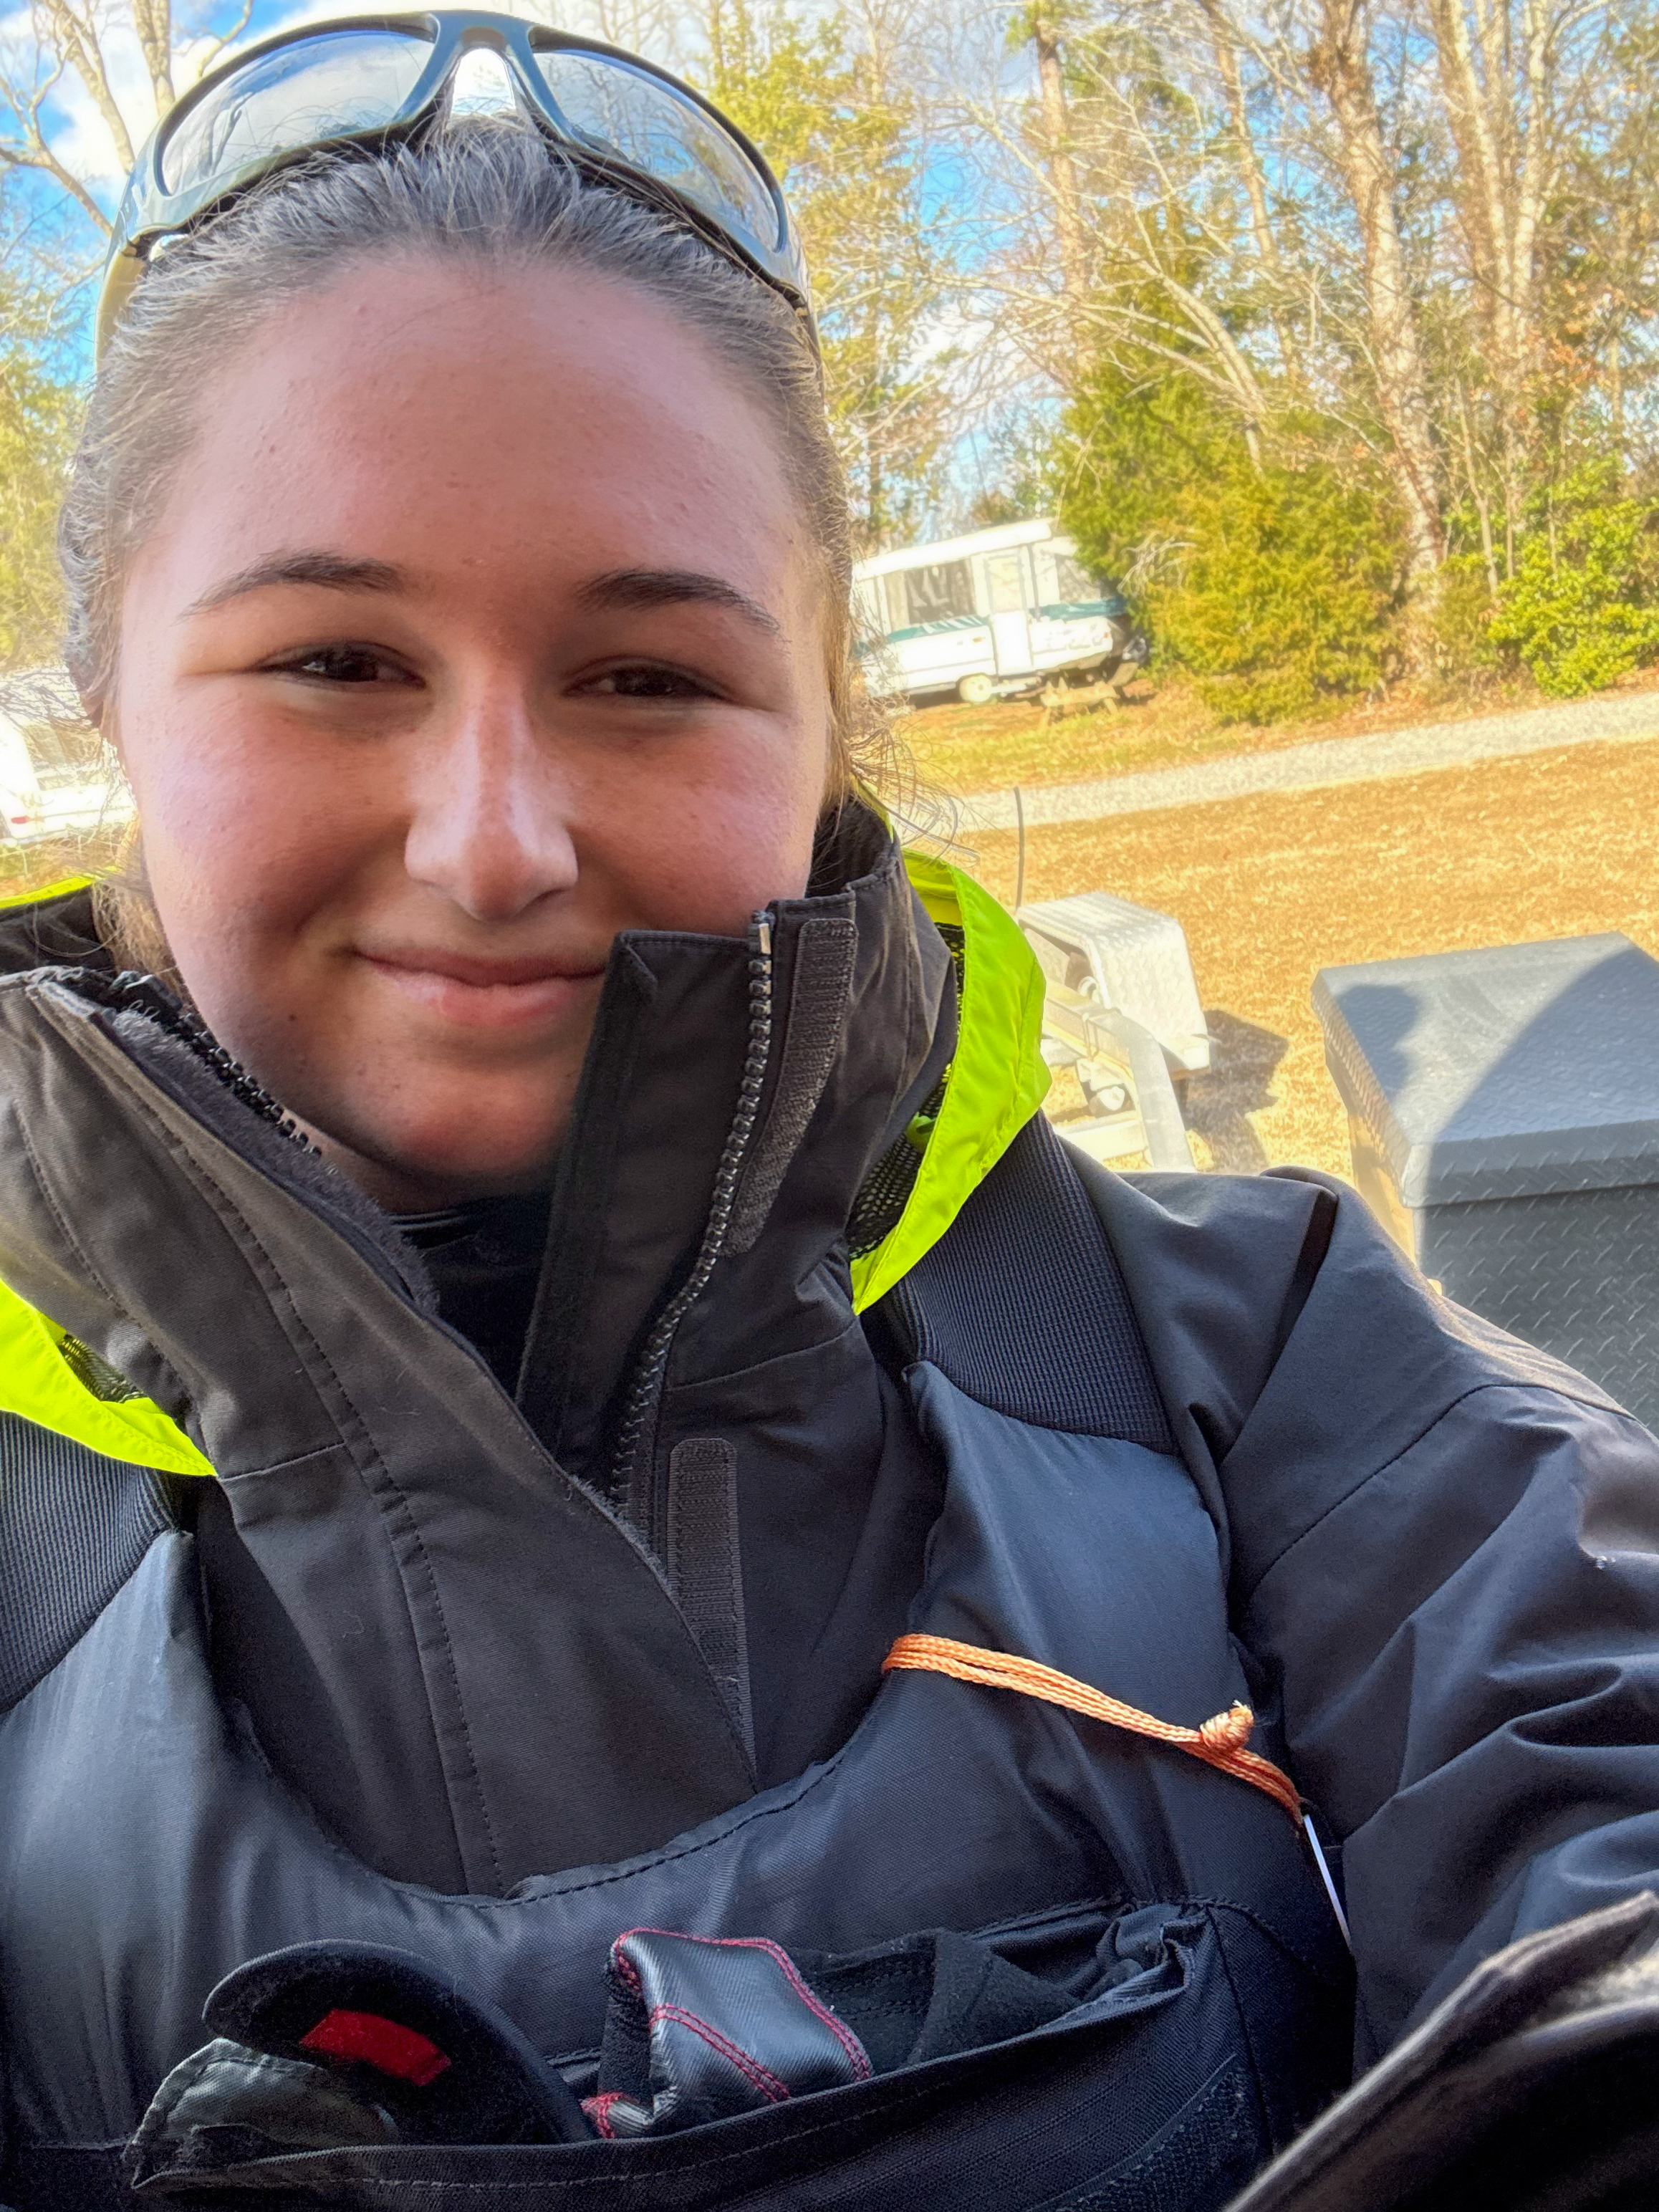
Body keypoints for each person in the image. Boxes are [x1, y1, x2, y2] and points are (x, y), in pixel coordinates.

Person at [2, 16, 1658, 2208]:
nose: (492, 844)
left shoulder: (1276, 1373)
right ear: (110, 689)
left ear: (817, 719)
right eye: (335, 662)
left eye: (646, 678)